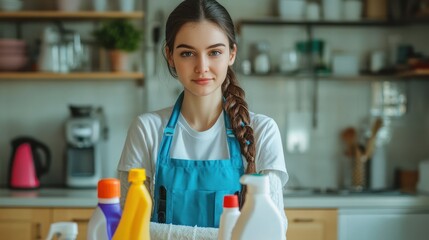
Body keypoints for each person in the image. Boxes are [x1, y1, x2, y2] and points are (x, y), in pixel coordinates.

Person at [117, 0, 288, 238]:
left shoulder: (261, 131)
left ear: (232, 53)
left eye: (214, 52)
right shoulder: (147, 130)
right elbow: (129, 229)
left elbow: (271, 233)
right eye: (187, 53)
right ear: (169, 55)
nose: (202, 67)